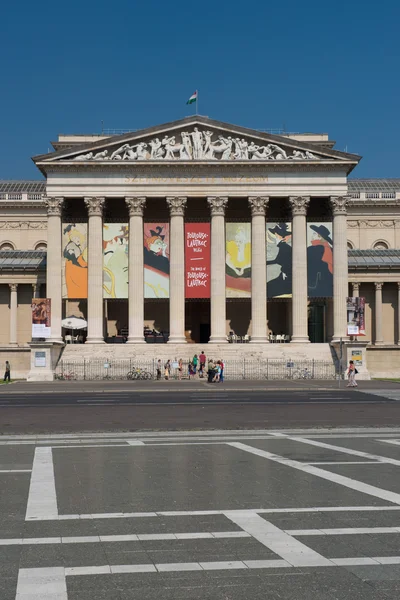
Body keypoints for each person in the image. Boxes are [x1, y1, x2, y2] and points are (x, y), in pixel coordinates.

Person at [266, 223, 292, 297]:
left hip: (288, 280)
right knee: (267, 288)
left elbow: (278, 260)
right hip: (283, 277)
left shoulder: (285, 247)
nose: (275, 237)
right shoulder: (283, 246)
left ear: (280, 236)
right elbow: (278, 260)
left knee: (267, 289)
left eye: (276, 235)